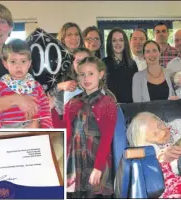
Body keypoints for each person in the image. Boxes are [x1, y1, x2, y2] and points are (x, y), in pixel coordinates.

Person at [66, 57, 117, 198]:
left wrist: (98, 167)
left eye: (90, 73)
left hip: (96, 160)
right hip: (75, 161)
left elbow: (107, 138)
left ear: (100, 74)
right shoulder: (72, 102)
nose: (86, 78)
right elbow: (67, 133)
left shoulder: (108, 103)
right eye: (82, 74)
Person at [0, 39, 52, 128]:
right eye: (13, 61)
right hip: (8, 130)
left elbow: (45, 111)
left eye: (23, 61)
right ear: (5, 64)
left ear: (29, 64)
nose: (18, 66)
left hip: (33, 128)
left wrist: (46, 130)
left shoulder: (36, 86)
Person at [49, 22, 84, 121]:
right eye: (69, 35)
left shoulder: (86, 58)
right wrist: (61, 86)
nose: (74, 37)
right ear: (63, 38)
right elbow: (46, 91)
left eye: (76, 34)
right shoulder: (54, 62)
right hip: (60, 114)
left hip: (83, 113)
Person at [103, 27, 138, 103]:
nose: (118, 43)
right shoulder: (104, 63)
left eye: (121, 40)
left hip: (130, 107)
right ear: (110, 43)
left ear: (125, 43)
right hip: (110, 107)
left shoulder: (132, 64)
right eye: (114, 40)